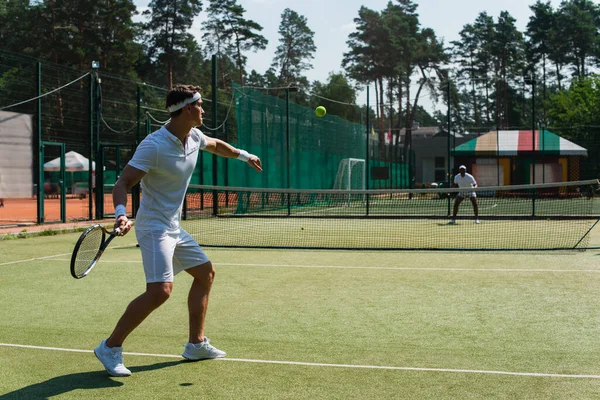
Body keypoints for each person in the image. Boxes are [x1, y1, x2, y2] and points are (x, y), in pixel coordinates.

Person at [94, 84, 262, 377]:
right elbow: (122, 183)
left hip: (174, 226)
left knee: (205, 273)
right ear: (187, 109)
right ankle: (109, 347)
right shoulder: (154, 145)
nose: (203, 110)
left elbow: (216, 144)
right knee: (160, 291)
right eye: (199, 105)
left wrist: (244, 155)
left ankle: (196, 344)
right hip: (153, 227)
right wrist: (121, 214)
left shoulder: (194, 135)